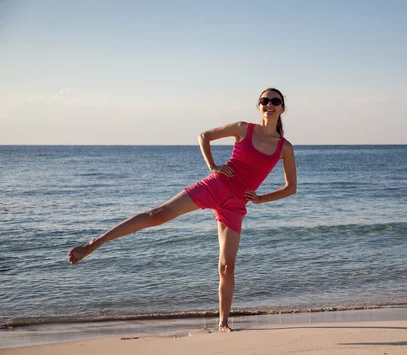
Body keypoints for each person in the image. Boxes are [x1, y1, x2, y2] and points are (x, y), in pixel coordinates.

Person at [67, 88, 297, 332]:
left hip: (236, 207)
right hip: (216, 186)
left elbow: (291, 187)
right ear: (258, 106)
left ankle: (223, 323)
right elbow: (204, 136)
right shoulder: (243, 128)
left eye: (275, 101)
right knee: (158, 215)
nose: (269, 104)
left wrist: (260, 199)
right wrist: (213, 166)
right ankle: (95, 243)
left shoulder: (284, 147)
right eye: (264, 100)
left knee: (227, 266)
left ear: (282, 108)